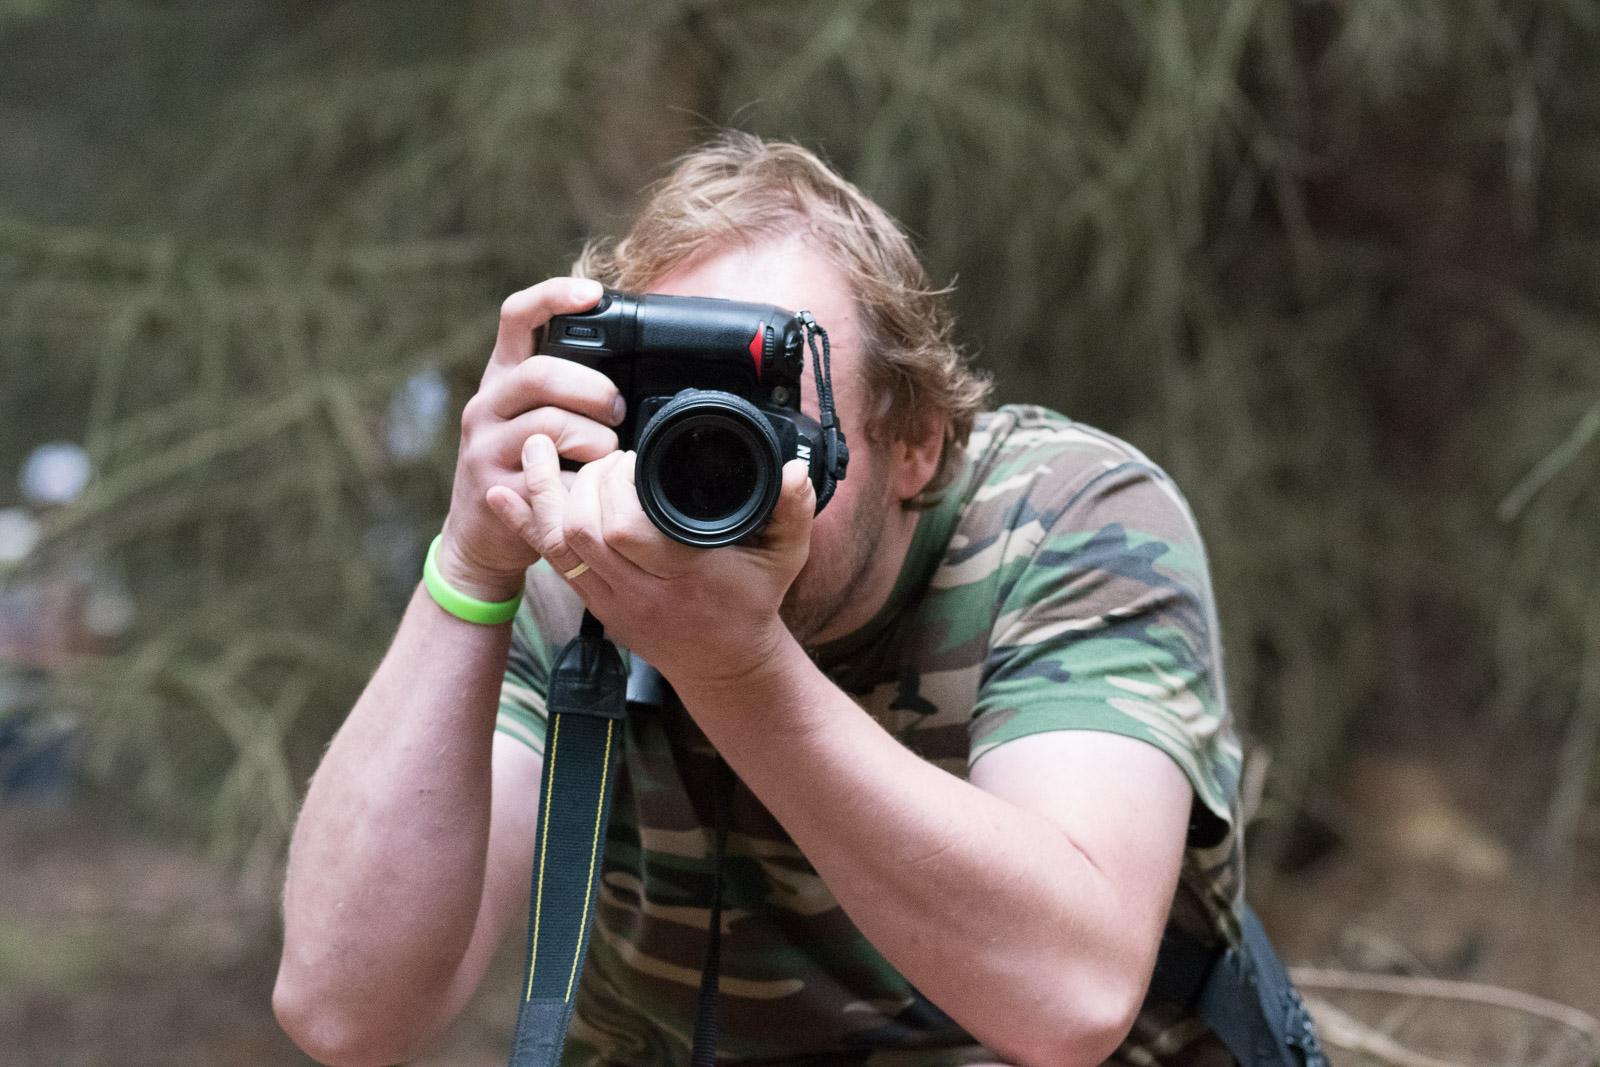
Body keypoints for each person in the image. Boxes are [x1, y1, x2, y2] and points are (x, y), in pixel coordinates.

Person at [273, 133, 1248, 1067]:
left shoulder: (1066, 521)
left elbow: (1072, 998)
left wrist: (735, 670)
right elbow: (344, 1011)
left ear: (915, 442)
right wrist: (471, 563)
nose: (703, 470)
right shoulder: (584, 546)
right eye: (667, 419)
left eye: (767, 423)